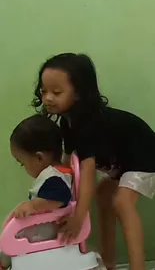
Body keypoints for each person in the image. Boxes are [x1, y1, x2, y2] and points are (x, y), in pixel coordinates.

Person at [32, 52, 155, 270]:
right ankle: (109, 261)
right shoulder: (68, 122)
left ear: (79, 94)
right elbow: (68, 165)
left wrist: (79, 215)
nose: (48, 98)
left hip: (145, 155)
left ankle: (138, 267)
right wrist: (57, 195)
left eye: (57, 92)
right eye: (44, 92)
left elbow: (87, 171)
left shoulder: (87, 124)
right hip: (122, 164)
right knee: (103, 196)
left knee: (122, 202)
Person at [0, 114, 73, 270]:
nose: (24, 168)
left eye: (22, 163)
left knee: (14, 238)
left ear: (39, 158)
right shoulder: (54, 174)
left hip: (47, 229)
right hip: (43, 225)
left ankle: (4, 262)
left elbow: (61, 198)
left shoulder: (54, 177)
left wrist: (33, 206)